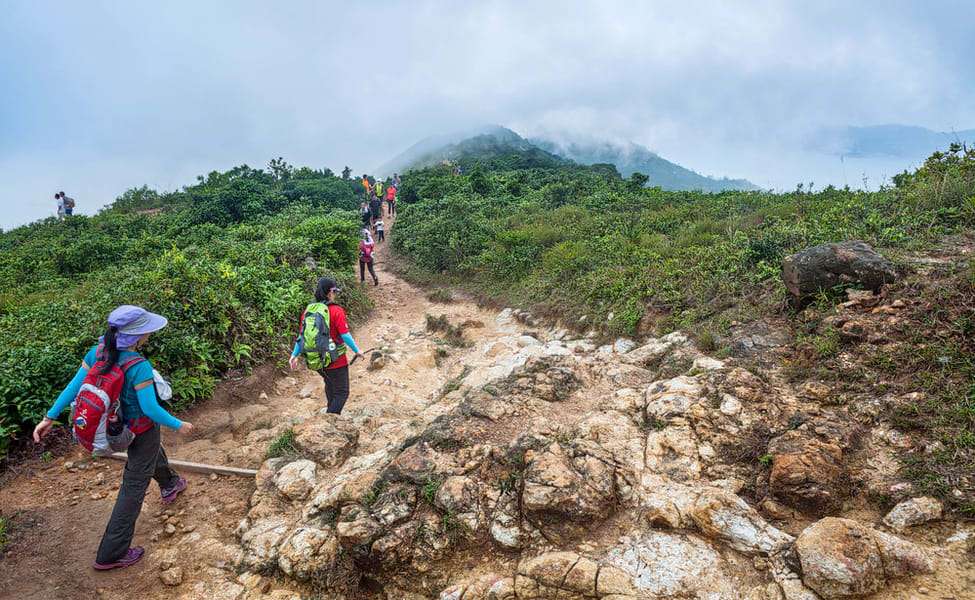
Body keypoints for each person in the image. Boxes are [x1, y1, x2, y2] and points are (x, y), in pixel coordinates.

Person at [33, 305, 193, 571]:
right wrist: (179, 425)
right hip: (139, 430)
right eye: (146, 330)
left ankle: (170, 483)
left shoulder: (97, 353)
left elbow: (74, 386)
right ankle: (111, 553)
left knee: (150, 455)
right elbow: (151, 409)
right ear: (138, 335)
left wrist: (49, 417)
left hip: (112, 429)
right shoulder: (138, 365)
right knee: (134, 484)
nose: (150, 334)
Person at [289, 277, 364, 414]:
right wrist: (357, 350)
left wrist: (293, 355)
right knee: (342, 392)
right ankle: (330, 419)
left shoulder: (308, 311)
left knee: (330, 385)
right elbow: (345, 335)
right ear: (329, 292)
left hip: (318, 360)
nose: (335, 294)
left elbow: (301, 337)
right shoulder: (336, 310)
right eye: (335, 291)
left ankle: (330, 414)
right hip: (336, 361)